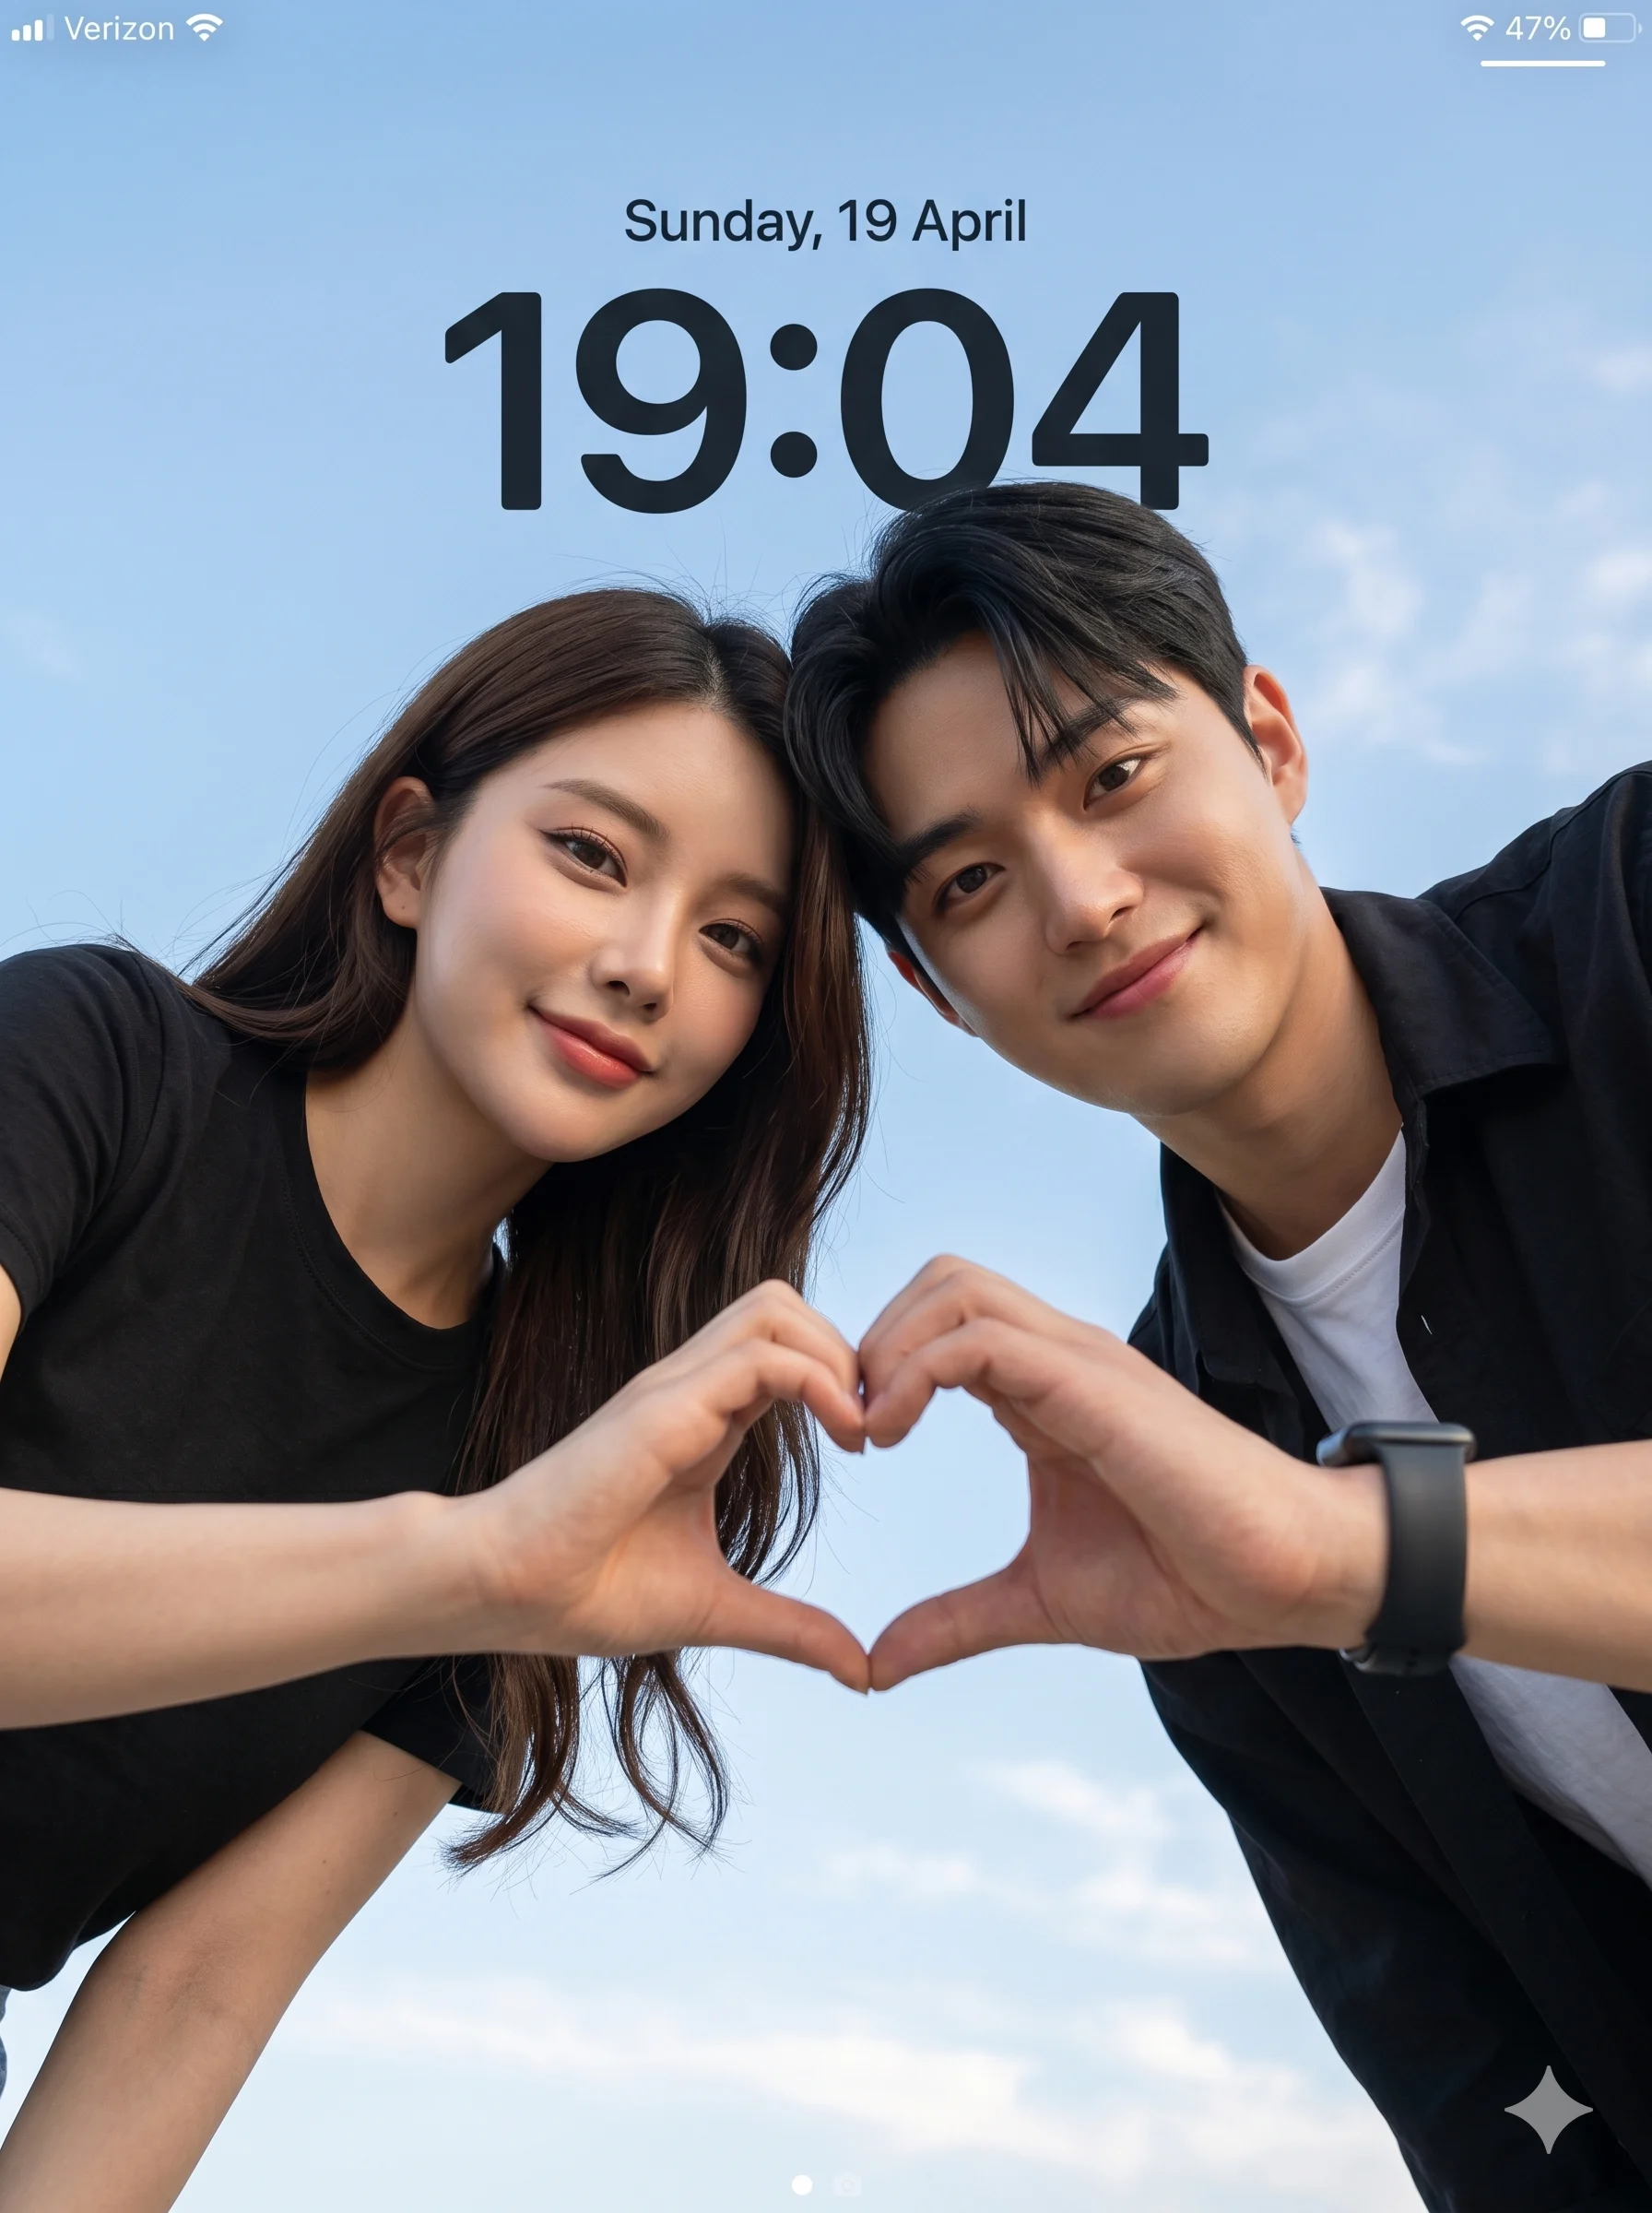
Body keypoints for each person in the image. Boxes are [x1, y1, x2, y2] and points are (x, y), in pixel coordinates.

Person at [785, 481, 1652, 2209]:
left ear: (1270, 741)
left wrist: (1337, 1551)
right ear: (940, 991)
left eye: (1112, 777)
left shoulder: (1629, 920)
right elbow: (1483, 2094)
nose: (1084, 899)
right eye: (971, 880)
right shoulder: (1157, 1472)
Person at [0, 587, 872, 2209]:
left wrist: (503, 1556)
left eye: (732, 937)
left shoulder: (550, 1465)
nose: (643, 965)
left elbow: (190, 1998)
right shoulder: (93, 1057)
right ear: (409, 853)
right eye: (594, 855)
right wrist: (471, 1557)